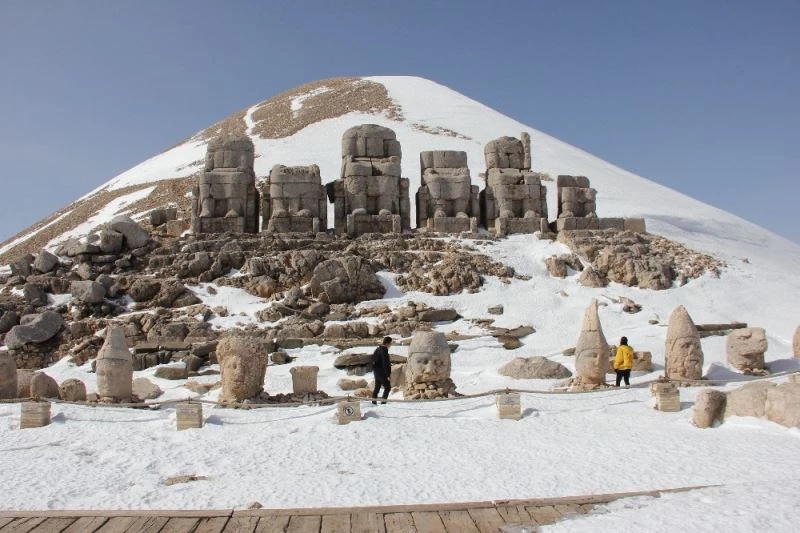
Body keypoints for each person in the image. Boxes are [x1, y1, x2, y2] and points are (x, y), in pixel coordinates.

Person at [372, 336, 393, 404]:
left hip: (376, 372)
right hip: (382, 372)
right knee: (387, 387)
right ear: (387, 343)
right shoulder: (384, 350)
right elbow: (385, 363)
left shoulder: (378, 349)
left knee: (377, 387)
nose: (390, 345)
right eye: (390, 343)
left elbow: (373, 359)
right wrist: (388, 375)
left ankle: (373, 402)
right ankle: (383, 403)